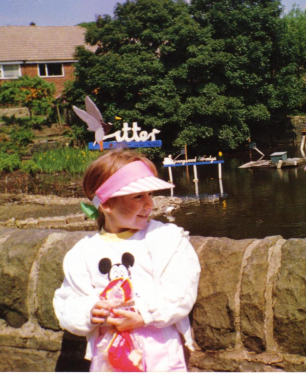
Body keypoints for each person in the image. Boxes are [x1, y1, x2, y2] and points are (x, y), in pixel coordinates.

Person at [53, 149, 201, 372]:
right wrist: (90, 312)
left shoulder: (165, 239)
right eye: (138, 196)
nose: (149, 204)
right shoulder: (84, 252)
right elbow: (67, 302)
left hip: (160, 350)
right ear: (107, 205)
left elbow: (182, 289)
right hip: (109, 355)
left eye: (150, 194)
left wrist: (143, 313)